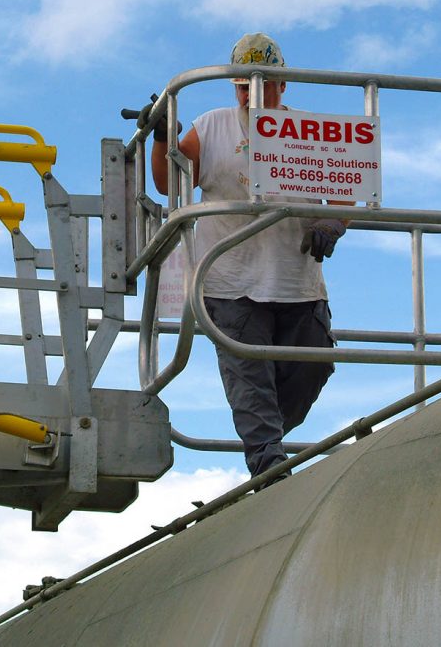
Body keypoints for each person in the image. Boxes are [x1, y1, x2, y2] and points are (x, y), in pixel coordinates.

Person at [148, 32, 348, 483]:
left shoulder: (309, 131)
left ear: (283, 84)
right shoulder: (214, 126)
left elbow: (346, 188)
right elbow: (170, 182)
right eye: (243, 86)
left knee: (312, 369)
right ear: (234, 87)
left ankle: (266, 435)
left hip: (297, 281)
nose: (253, 93)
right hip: (229, 282)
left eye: (265, 83)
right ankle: (268, 467)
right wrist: (163, 139)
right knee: (250, 376)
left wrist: (333, 223)